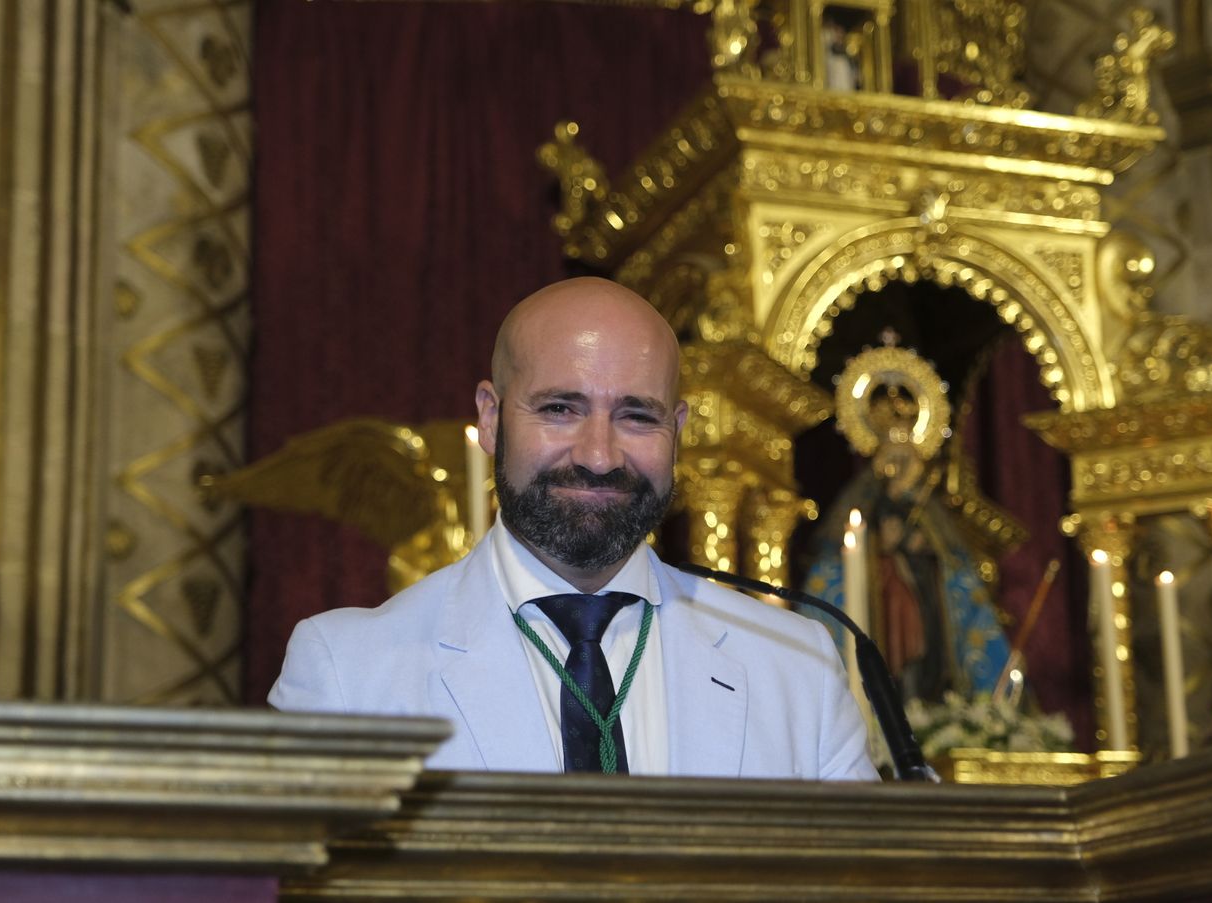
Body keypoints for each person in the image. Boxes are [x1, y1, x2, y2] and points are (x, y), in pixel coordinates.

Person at [269, 277, 875, 780]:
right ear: (489, 415)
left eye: (638, 416)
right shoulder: (349, 674)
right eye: (560, 409)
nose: (600, 455)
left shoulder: (797, 666)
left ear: (679, 428)